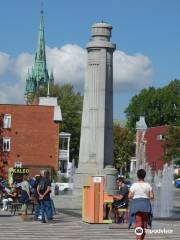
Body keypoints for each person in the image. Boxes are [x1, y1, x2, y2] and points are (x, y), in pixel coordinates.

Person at [128, 169, 154, 240]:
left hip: (136, 204)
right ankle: (142, 238)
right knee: (145, 223)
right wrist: (146, 196)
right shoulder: (148, 185)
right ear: (144, 176)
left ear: (137, 176)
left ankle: (138, 238)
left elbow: (129, 196)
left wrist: (134, 196)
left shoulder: (134, 185)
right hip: (145, 204)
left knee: (138, 222)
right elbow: (152, 196)